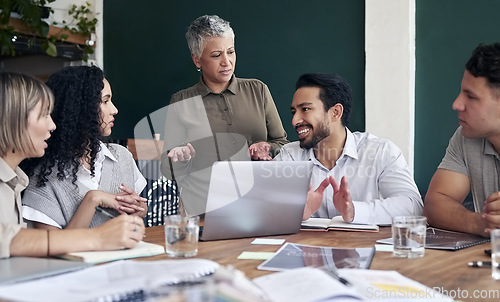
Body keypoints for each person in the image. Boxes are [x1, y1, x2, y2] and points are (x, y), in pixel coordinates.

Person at [0, 72, 144, 258]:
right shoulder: (37, 180)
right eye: (43, 115)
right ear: (13, 121)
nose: (53, 125)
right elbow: (9, 240)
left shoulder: (15, 180)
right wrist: (97, 237)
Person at [160, 15, 288, 215]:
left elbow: (282, 144)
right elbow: (168, 170)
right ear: (197, 59)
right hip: (203, 209)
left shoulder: (258, 90)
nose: (226, 62)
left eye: (231, 52)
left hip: (260, 204)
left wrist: (267, 149)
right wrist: (180, 157)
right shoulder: (181, 102)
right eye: (216, 55)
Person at [274, 73, 423, 225]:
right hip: (305, 247)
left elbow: (412, 206)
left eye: (305, 109)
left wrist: (354, 211)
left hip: (362, 246)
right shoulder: (289, 156)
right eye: (294, 112)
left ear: (335, 112)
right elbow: (258, 204)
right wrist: (294, 211)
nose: (294, 121)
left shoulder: (380, 152)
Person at [21, 66, 147, 230]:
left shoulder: (122, 156)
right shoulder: (43, 180)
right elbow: (51, 247)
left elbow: (142, 211)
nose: (114, 110)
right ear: (79, 108)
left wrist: (138, 209)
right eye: (105, 101)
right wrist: (92, 200)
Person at [424, 42, 500, 237]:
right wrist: (483, 224)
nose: (457, 104)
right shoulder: (466, 137)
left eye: (471, 97)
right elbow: (434, 204)